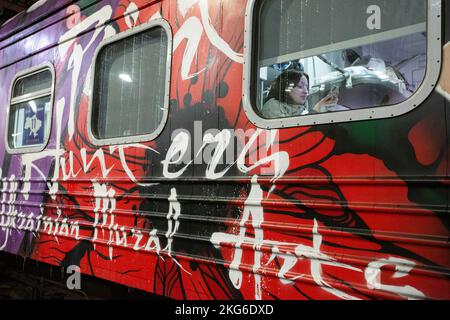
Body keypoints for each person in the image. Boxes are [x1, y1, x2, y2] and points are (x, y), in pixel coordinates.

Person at [261, 69, 338, 119]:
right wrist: (316, 110)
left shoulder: (301, 109)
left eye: (306, 87)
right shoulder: (272, 106)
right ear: (286, 88)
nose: (305, 91)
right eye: (300, 86)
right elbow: (291, 132)